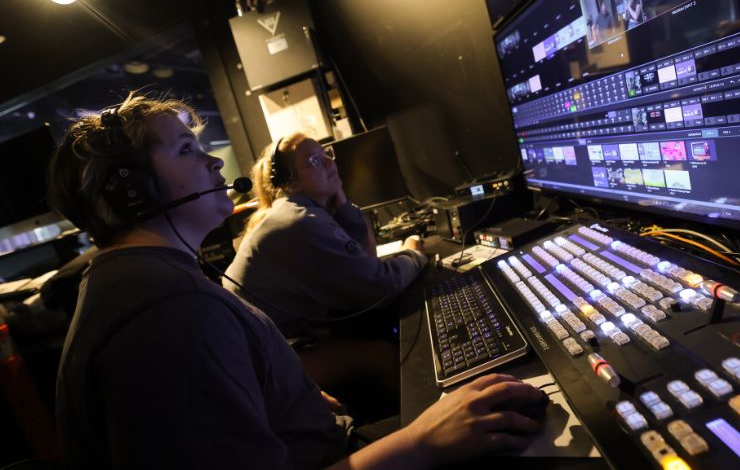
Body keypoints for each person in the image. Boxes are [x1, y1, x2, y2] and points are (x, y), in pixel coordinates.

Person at [48, 92, 546, 469]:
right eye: (185, 149)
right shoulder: (165, 317)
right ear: (132, 194)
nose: (215, 162)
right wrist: (424, 440)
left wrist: (280, 393)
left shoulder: (143, 281)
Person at [223, 133, 426, 399]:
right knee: (381, 355)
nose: (330, 163)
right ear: (290, 182)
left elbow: (365, 261)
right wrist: (415, 255)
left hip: (281, 346)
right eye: (315, 160)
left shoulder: (303, 212)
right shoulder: (298, 221)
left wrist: (340, 200)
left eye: (327, 154)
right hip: (270, 361)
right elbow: (378, 286)